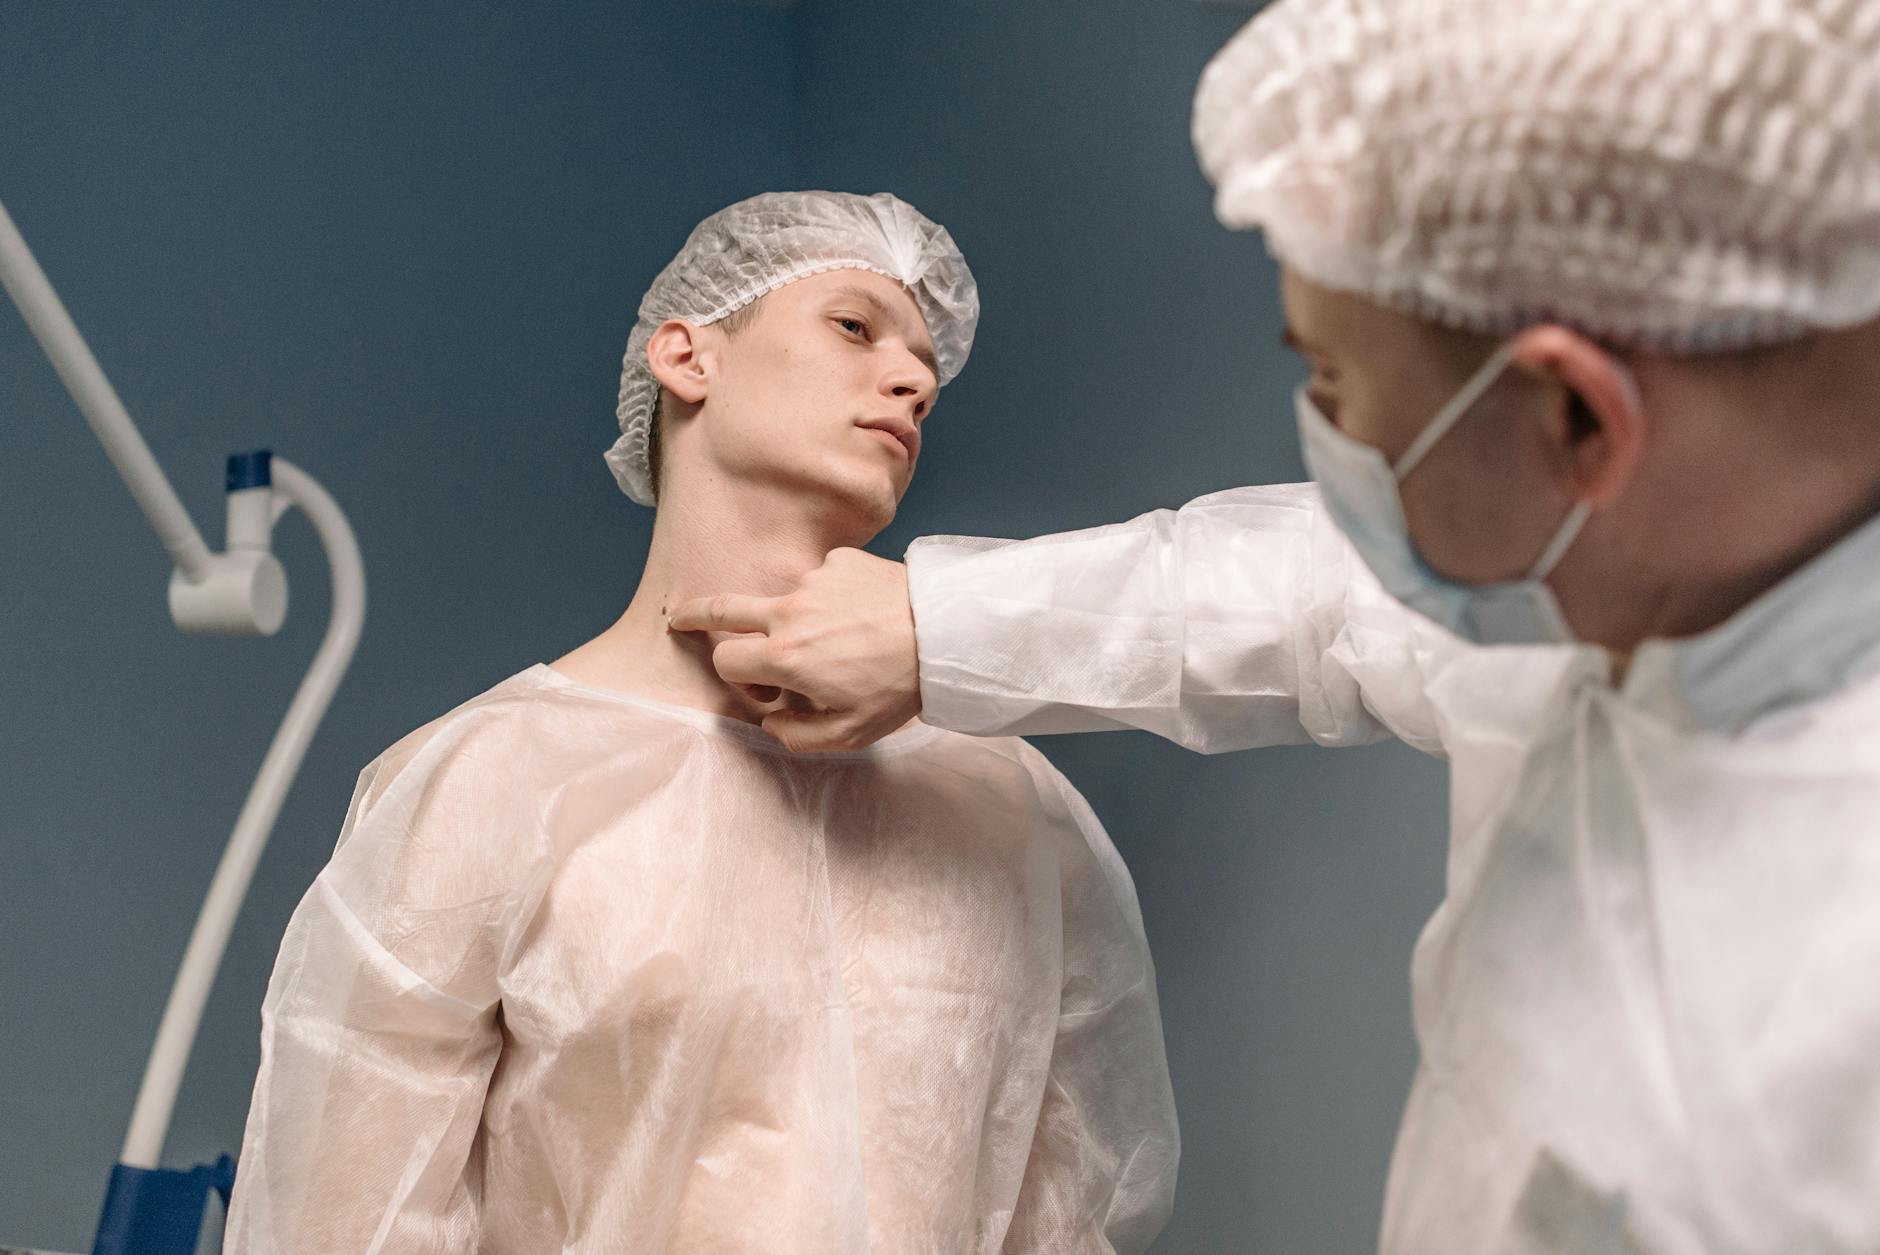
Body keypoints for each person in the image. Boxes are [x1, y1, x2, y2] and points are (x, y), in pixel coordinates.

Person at [668, 7, 1880, 1253]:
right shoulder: (1636, 595)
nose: (1329, 444)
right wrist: (941, 626)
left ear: (1577, 418)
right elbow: (1312, 594)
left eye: (1337, 387)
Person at [225, 191, 1178, 1254]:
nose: (912, 380)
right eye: (854, 326)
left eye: (927, 370)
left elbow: (1081, 1209)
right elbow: (339, 1223)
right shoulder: (484, 783)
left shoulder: (1009, 810)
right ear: (687, 358)